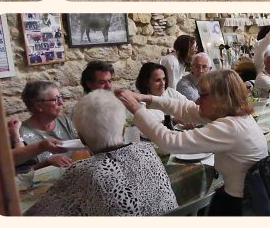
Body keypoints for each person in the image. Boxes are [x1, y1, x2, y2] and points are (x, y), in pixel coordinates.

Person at [117, 70, 266, 216]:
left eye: (203, 96)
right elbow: (185, 108)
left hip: (241, 205)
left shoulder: (230, 127)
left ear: (221, 98)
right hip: (251, 196)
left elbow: (169, 142)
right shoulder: (238, 116)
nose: (197, 101)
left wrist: (137, 109)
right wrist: (144, 98)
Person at [25, 90, 178, 216]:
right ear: (123, 129)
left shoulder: (84, 172)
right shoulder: (147, 151)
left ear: (83, 139)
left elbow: (37, 216)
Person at [12, 80, 77, 169]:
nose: (61, 103)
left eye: (60, 97)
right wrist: (47, 163)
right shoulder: (21, 132)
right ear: (38, 106)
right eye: (56, 99)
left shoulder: (65, 121)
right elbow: (21, 173)